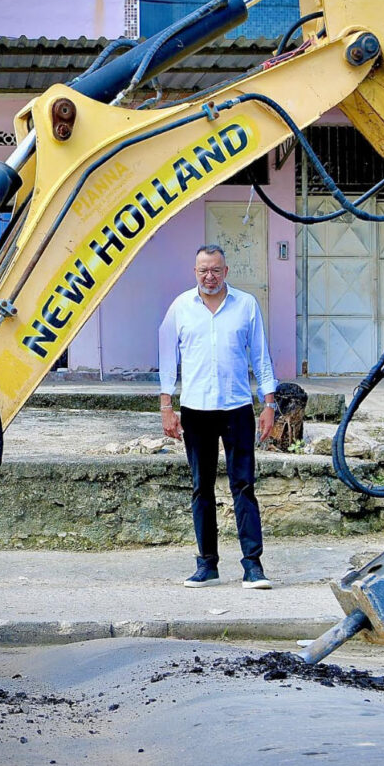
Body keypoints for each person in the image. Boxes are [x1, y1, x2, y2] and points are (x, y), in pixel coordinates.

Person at [158, 244, 277, 590]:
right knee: (201, 489)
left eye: (215, 270)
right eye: (202, 270)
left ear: (226, 271)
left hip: (237, 408)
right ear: (194, 272)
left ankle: (253, 566)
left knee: (244, 486)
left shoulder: (246, 306)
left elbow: (261, 357)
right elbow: (168, 360)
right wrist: (167, 406)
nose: (209, 276)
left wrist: (268, 404)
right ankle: (207, 565)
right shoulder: (181, 308)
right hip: (196, 411)